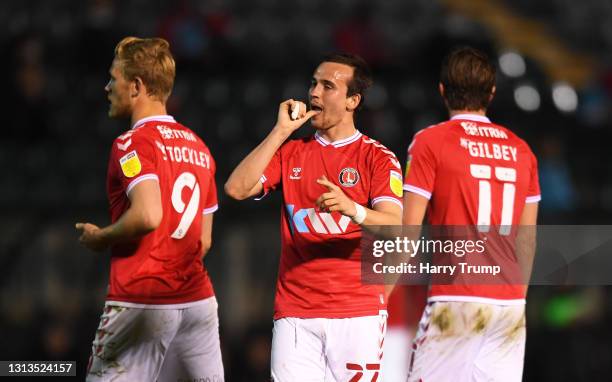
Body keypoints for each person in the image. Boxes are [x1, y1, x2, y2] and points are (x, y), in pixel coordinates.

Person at [225, 53, 403, 381]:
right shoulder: (292, 152)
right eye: (313, 83)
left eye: (327, 86)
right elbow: (236, 188)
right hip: (295, 314)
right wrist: (280, 132)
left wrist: (354, 209)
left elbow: (394, 227)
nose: (314, 93)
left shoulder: (377, 158)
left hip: (357, 314)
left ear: (353, 100)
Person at [75, 37, 223, 381]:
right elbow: (204, 242)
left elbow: (147, 215)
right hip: (198, 303)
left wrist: (102, 237)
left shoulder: (131, 143)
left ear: (137, 86)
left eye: (114, 78)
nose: (108, 86)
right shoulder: (200, 147)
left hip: (142, 300)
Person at [403, 46, 540, 382]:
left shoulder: (430, 142)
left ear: (442, 90)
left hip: (457, 298)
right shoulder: (522, 150)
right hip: (509, 304)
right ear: (491, 94)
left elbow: (405, 231)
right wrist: (514, 300)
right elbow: (528, 237)